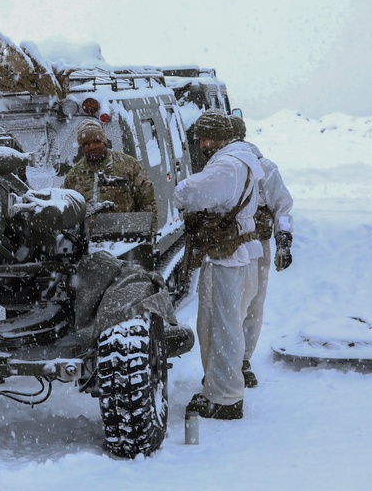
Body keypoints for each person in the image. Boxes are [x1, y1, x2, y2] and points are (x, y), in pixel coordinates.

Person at [174, 110, 264, 420]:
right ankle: (221, 387)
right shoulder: (245, 157)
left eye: (204, 137)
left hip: (226, 256)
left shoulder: (227, 164)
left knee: (218, 326)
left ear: (216, 136)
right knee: (228, 324)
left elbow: (191, 192)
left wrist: (182, 192)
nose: (201, 144)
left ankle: (224, 398)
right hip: (239, 251)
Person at [231, 115, 294, 389]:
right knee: (227, 307)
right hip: (225, 248)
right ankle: (225, 364)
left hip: (257, 246)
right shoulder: (221, 168)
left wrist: (284, 240)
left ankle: (242, 362)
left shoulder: (264, 169)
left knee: (252, 306)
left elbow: (283, 206)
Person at [62, 117, 157, 235]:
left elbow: (147, 201)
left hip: (127, 239)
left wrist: (149, 235)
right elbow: (66, 212)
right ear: (81, 148)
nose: (92, 147)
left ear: (104, 142)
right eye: (86, 144)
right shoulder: (73, 176)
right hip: (90, 245)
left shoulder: (128, 165)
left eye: (96, 141)